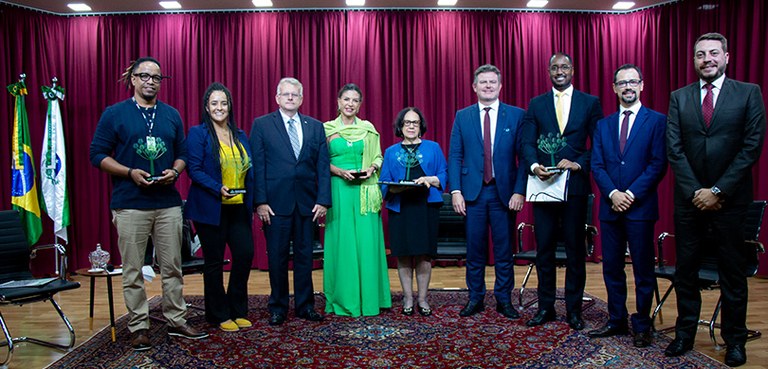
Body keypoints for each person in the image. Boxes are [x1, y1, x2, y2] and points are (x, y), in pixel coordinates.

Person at [89, 57, 208, 351]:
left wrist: (176, 171)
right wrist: (129, 172)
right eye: (144, 76)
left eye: (156, 77)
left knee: (173, 267)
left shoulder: (171, 115)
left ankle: (176, 320)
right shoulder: (115, 114)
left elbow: (181, 152)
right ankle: (139, 326)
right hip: (130, 203)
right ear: (133, 78)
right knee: (133, 270)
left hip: (167, 203)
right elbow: (97, 155)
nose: (150, 81)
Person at [665, 32, 766, 367]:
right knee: (686, 272)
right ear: (693, 60)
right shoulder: (679, 97)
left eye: (712, 53)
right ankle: (684, 335)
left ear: (726, 56)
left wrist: (718, 191)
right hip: (689, 201)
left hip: (731, 202)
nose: (706, 59)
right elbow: (674, 149)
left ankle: (734, 340)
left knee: (732, 274)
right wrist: (697, 191)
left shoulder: (749, 93)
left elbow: (751, 146)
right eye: (699, 54)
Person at [521, 53, 603, 330]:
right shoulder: (536, 104)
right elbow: (527, 142)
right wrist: (534, 166)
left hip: (575, 188)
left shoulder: (590, 103)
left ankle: (574, 310)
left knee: (574, 252)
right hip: (544, 187)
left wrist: (579, 164)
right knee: (543, 249)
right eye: (555, 67)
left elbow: (599, 144)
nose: (560, 71)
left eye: (564, 66)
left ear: (573, 70)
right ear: (548, 71)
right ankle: (545, 307)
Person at [588, 64, 667, 347]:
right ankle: (616, 320)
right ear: (614, 88)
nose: (628, 87)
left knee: (643, 270)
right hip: (610, 209)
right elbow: (597, 165)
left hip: (640, 208)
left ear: (642, 85)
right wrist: (612, 194)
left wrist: (630, 194)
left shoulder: (657, 121)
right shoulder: (603, 124)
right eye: (622, 83)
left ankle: (643, 325)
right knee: (611, 268)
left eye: (633, 82)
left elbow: (658, 164)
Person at [448, 64, 527, 319]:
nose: (488, 86)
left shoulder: (516, 115)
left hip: (504, 194)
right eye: (483, 82)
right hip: (473, 194)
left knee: (504, 250)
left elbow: (524, 158)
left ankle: (504, 299)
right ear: (474, 87)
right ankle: (476, 298)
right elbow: (455, 155)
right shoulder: (463, 116)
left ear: (500, 86)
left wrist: (519, 190)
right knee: (475, 249)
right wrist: (456, 190)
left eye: (493, 82)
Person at [249, 77, 331, 326]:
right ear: (277, 98)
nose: (290, 98)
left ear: (302, 99)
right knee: (277, 257)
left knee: (306, 257)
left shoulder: (315, 127)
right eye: (286, 95)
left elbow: (323, 167)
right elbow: (258, 166)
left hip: (307, 204)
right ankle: (278, 307)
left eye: (295, 95)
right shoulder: (262, 125)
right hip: (275, 205)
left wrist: (323, 200)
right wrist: (260, 201)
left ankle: (305, 306)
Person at [185, 82, 255, 332]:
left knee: (245, 255)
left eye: (223, 103)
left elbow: (250, 171)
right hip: (210, 207)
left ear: (230, 106)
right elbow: (194, 170)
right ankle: (218, 313)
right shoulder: (198, 133)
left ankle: (238, 310)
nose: (219, 107)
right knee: (213, 262)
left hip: (238, 206)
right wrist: (218, 188)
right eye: (214, 103)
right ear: (206, 107)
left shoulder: (241, 135)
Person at [323, 83, 392, 317]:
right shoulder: (327, 129)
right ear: (338, 102)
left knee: (366, 244)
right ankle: (343, 300)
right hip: (338, 190)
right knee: (342, 244)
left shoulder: (369, 129)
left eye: (355, 100)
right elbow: (320, 162)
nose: (350, 104)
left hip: (365, 193)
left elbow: (378, 157)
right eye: (346, 99)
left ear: (360, 104)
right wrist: (339, 171)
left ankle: (371, 300)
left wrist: (372, 167)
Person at [379, 107, 447, 316]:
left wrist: (430, 179)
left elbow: (443, 174)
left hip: (425, 207)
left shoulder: (433, 148)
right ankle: (408, 297)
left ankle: (423, 299)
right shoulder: (391, 152)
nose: (410, 126)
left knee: (424, 255)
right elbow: (383, 183)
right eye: (406, 122)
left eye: (414, 123)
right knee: (404, 256)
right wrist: (394, 187)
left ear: (420, 126)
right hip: (401, 208)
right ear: (400, 126)